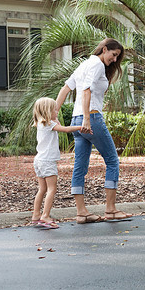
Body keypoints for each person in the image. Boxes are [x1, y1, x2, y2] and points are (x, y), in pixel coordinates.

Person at [56, 38, 133, 223]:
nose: (114, 60)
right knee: (113, 161)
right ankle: (110, 209)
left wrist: (53, 114)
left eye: (117, 58)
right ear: (104, 49)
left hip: (75, 120)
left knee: (80, 167)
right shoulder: (97, 64)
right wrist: (88, 120)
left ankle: (81, 212)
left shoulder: (83, 65)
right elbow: (87, 90)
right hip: (91, 119)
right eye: (114, 55)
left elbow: (65, 89)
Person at [31, 97, 82, 229]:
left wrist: (55, 118)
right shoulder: (50, 124)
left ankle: (36, 215)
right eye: (54, 109)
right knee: (52, 189)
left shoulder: (41, 124)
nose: (57, 111)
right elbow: (65, 129)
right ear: (48, 111)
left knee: (42, 189)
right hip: (48, 161)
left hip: (39, 160)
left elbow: (58, 123)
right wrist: (82, 127)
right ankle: (45, 215)